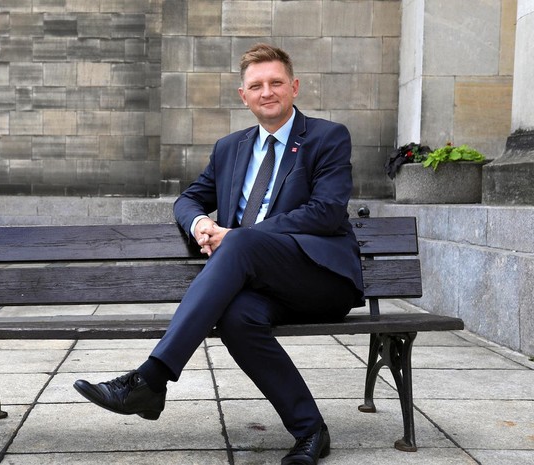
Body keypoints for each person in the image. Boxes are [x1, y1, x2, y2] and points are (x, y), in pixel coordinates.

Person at [73, 43, 364, 465]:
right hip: (262, 287)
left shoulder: (327, 137)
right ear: (243, 96)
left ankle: (151, 378)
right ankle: (310, 431)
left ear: (294, 87)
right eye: (256, 85)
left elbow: (327, 211)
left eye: (276, 82)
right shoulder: (230, 148)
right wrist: (199, 224)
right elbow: (188, 199)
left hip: (320, 279)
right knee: (237, 318)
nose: (267, 92)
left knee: (242, 240)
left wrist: (237, 236)